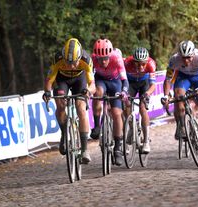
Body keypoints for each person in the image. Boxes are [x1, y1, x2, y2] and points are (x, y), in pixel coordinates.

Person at [42, 38, 96, 164]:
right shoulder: (58, 58)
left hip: (79, 79)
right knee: (60, 105)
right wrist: (47, 92)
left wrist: (88, 91)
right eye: (67, 62)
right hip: (62, 79)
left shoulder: (86, 60)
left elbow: (93, 85)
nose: (70, 66)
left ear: (79, 58)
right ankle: (65, 134)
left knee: (81, 109)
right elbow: (49, 80)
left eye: (73, 63)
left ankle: (84, 149)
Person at [162, 40, 198, 159]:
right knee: (178, 95)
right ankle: (181, 125)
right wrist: (166, 95)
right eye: (183, 58)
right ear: (179, 55)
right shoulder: (174, 59)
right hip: (183, 77)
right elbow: (167, 79)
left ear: (193, 55)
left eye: (188, 58)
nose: (186, 61)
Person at [90, 38, 129, 166]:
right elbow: (89, 79)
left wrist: (124, 91)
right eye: (100, 59)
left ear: (110, 55)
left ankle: (118, 149)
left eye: (106, 58)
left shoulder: (116, 57)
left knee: (117, 113)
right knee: (97, 93)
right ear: (96, 57)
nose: (104, 61)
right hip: (100, 80)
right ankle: (97, 125)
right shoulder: (93, 59)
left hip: (115, 82)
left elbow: (125, 80)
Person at [124, 47, 156, 154]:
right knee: (127, 103)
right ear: (133, 61)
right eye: (138, 64)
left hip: (144, 84)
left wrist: (147, 94)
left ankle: (146, 141)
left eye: (143, 64)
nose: (141, 67)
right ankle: (131, 128)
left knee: (142, 108)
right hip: (131, 83)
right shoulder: (127, 63)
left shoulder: (151, 64)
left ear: (147, 62)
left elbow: (153, 85)